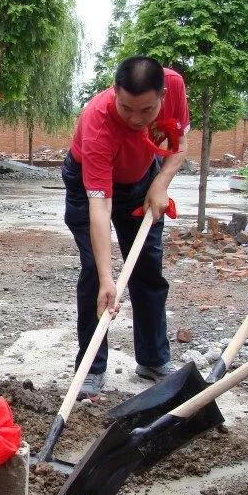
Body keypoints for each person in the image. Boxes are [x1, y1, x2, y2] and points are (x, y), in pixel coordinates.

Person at [63, 56, 189, 398]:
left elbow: (178, 145)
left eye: (146, 111)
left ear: (162, 94)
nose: (136, 119)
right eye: (126, 108)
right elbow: (100, 207)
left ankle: (153, 359)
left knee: (148, 266)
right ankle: (91, 367)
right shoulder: (97, 123)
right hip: (89, 186)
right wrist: (108, 276)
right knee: (94, 272)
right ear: (114, 92)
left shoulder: (174, 85)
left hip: (143, 180)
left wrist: (161, 183)